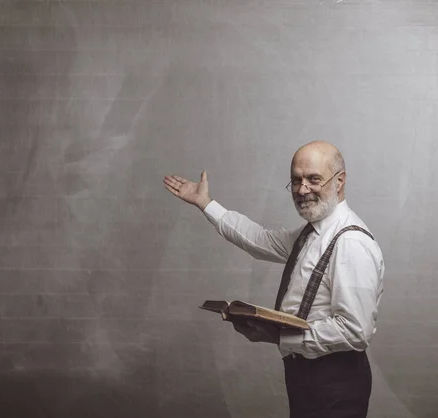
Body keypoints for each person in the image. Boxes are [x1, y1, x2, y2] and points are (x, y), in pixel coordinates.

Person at [163, 141, 384, 418]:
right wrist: (205, 203)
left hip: (335, 385)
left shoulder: (351, 243)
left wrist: (278, 336)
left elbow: (355, 331)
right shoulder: (311, 232)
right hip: (307, 377)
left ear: (339, 181)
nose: (303, 190)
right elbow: (260, 240)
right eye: (296, 181)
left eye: (314, 179)